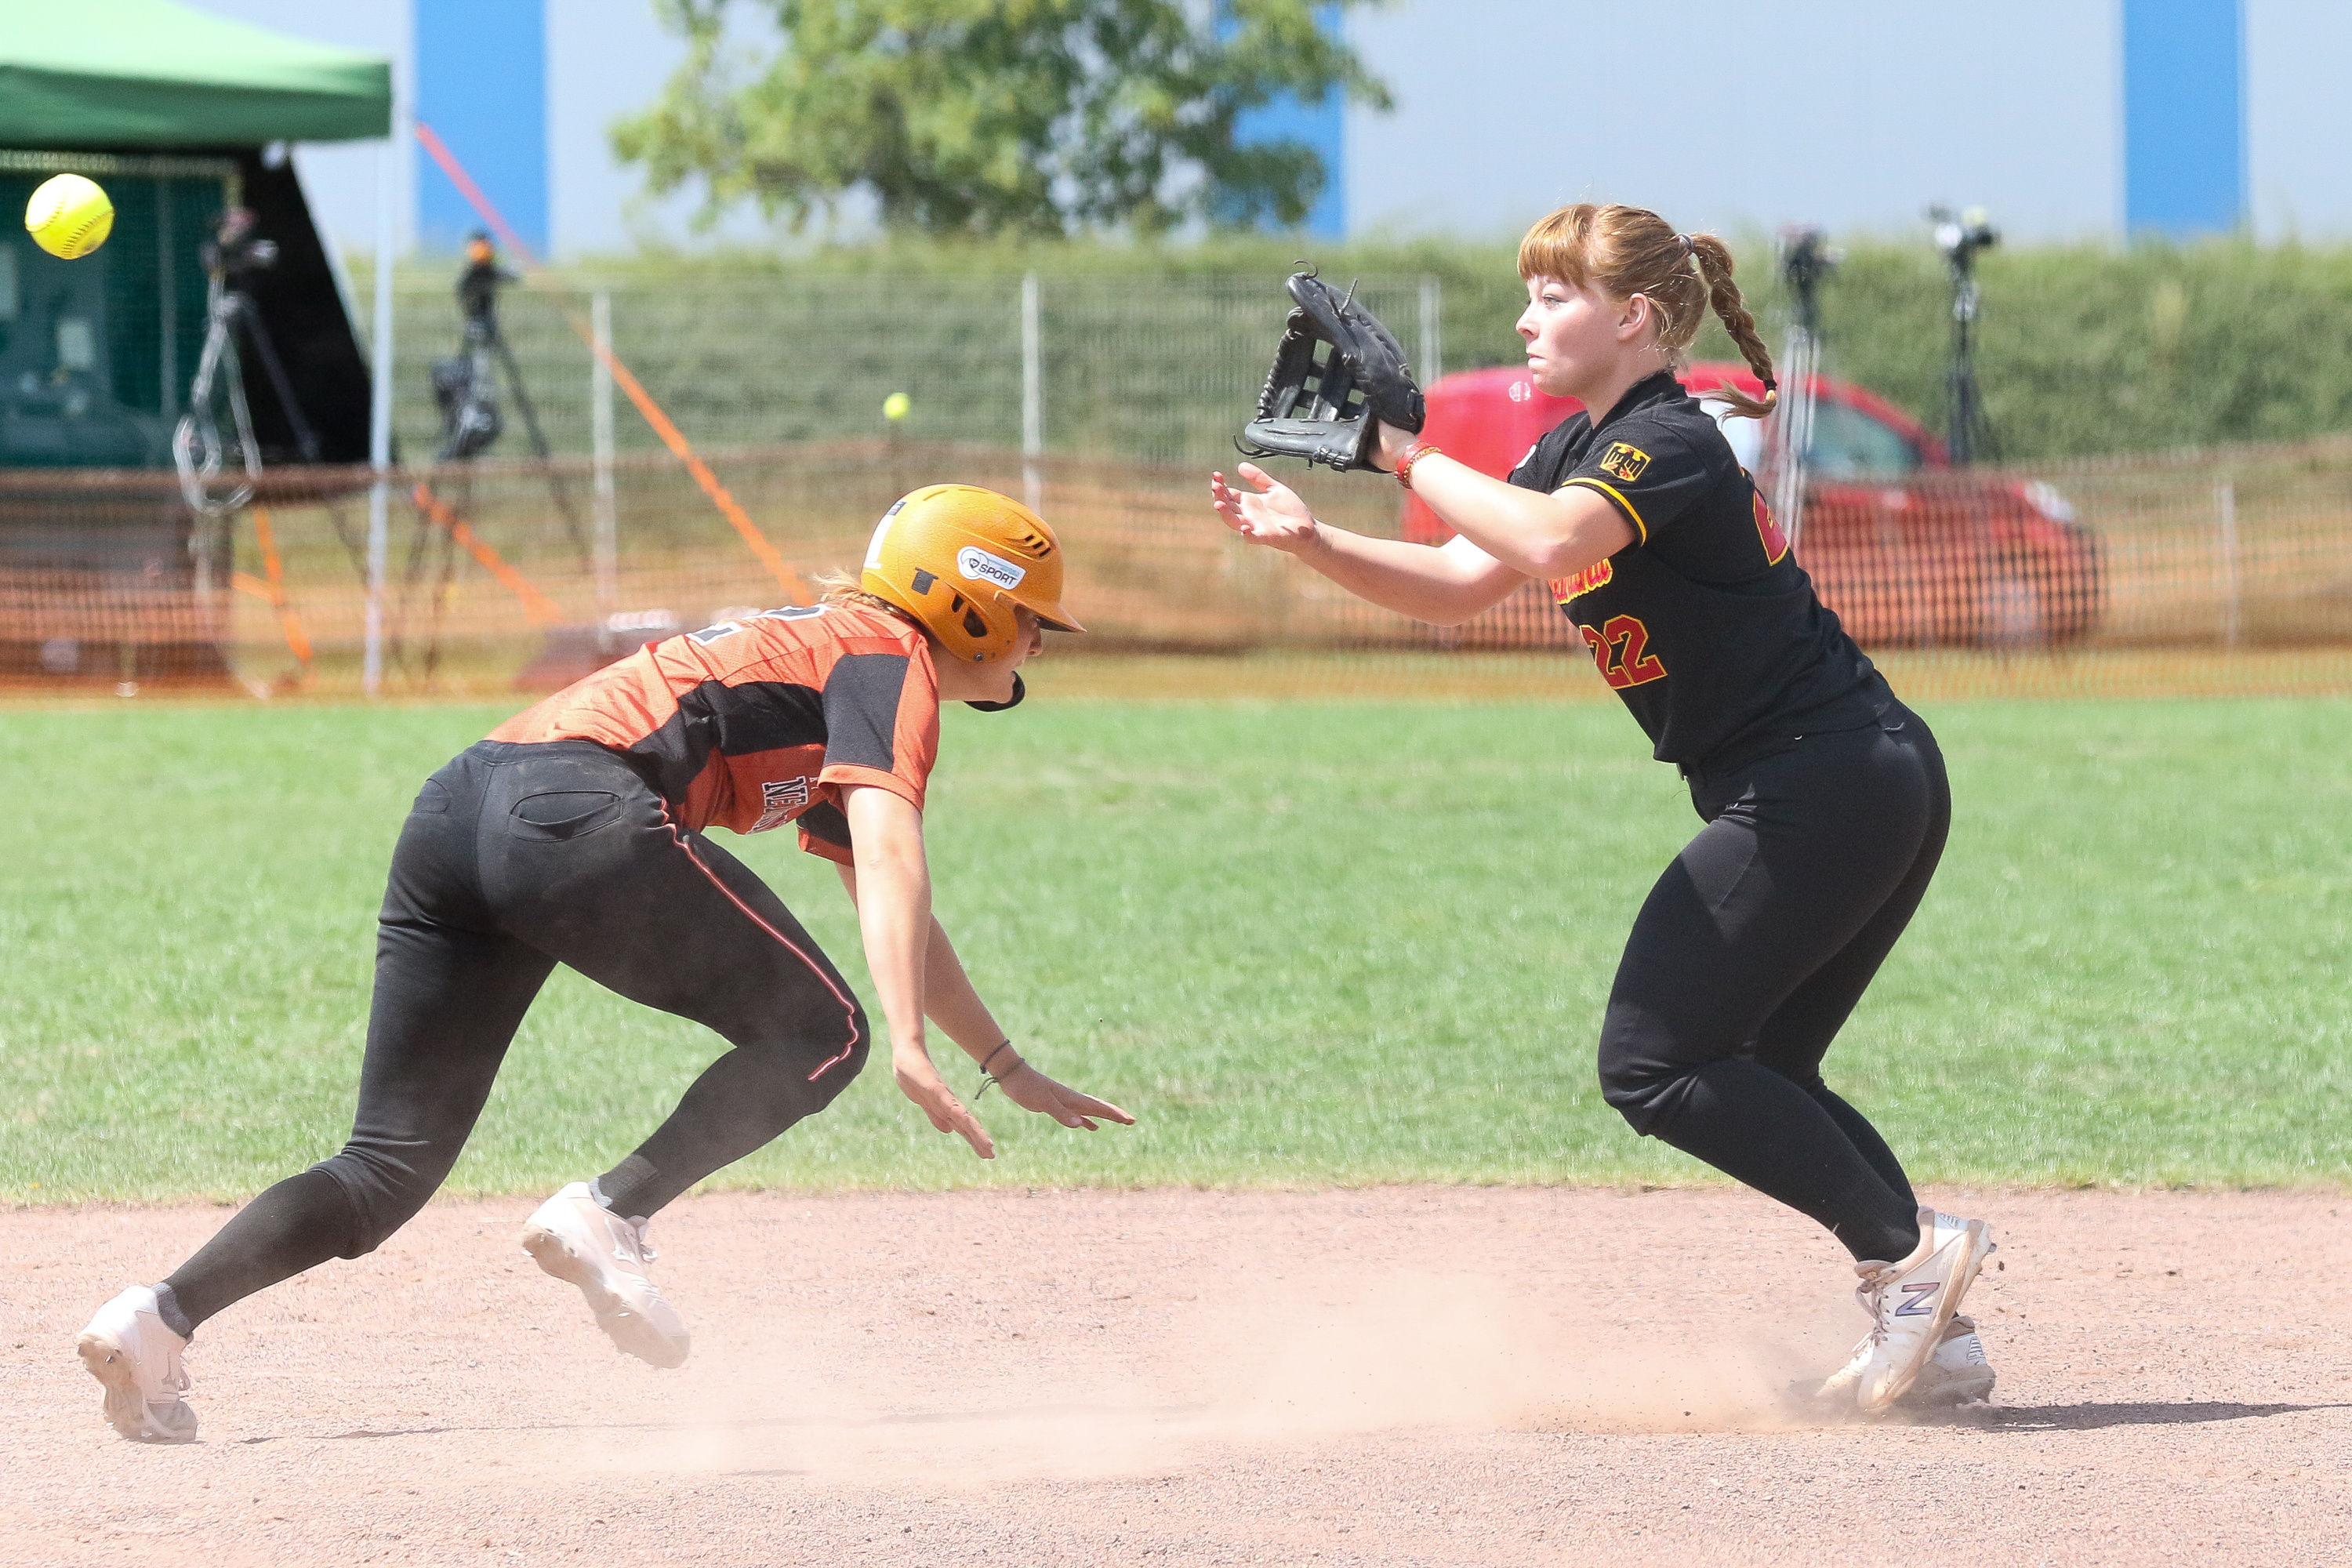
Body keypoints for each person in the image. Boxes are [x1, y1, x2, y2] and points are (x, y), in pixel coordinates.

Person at [77, 484, 1134, 1443]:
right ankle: (610, 1211)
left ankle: (157, 1320)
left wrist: (1002, 1061)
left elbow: (893, 904)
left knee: (386, 1168)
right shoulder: (885, 660)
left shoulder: (838, 657)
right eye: (1035, 614)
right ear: (970, 602)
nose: (1039, 639)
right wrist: (898, 1038)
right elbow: (897, 849)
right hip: (576, 811)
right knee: (830, 1034)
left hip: (461, 807)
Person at [1208, 204, 1995, 1415]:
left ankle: (1915, 1257)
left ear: (1632, 319)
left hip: (1824, 776)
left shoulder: (1662, 442)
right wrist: (1316, 539)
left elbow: (1548, 540)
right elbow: (1463, 587)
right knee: (1765, 1060)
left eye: (1552, 296)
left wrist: (1404, 454)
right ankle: (1930, 1330)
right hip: (1845, 775)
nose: (1524, 318)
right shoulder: (1573, 448)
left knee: (1652, 1063)